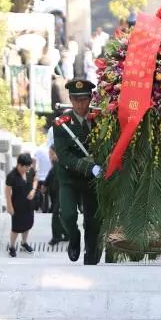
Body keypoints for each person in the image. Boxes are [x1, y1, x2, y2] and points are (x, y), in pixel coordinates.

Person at [52, 79, 102, 264]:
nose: (80, 104)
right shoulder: (61, 123)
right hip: (70, 178)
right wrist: (90, 167)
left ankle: (91, 257)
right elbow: (64, 156)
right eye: (75, 100)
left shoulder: (100, 118)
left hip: (93, 179)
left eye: (84, 99)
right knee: (67, 214)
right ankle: (73, 238)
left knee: (93, 220)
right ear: (71, 100)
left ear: (90, 99)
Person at [5, 152, 38, 256]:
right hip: (17, 205)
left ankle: (24, 243)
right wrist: (9, 206)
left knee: (27, 225)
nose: (28, 169)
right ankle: (12, 246)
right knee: (16, 228)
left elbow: (35, 179)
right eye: (26, 167)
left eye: (29, 166)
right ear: (19, 165)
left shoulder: (29, 171)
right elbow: (7, 191)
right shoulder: (12, 175)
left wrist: (33, 190)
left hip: (29, 204)